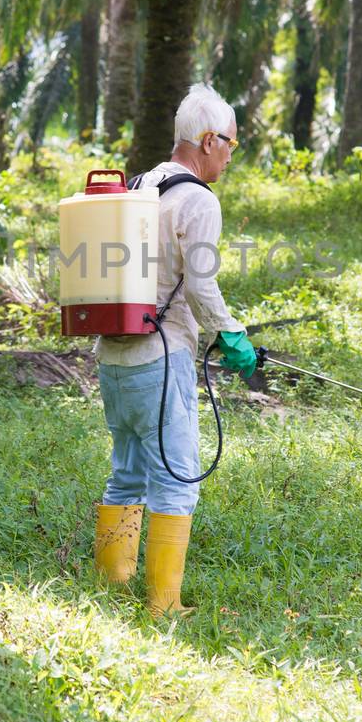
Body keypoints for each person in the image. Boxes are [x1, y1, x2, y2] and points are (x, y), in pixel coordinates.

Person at [93, 85, 256, 617]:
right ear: (209, 141)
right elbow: (202, 287)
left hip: (113, 356)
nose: (233, 155)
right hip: (160, 361)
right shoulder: (198, 200)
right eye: (231, 144)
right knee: (178, 476)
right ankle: (164, 605)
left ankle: (110, 586)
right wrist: (231, 334)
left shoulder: (143, 182)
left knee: (128, 471)